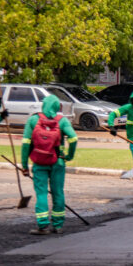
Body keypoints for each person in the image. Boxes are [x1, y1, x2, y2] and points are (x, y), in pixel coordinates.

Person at [20, 94, 77, 235]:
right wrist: (69, 156)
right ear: (57, 106)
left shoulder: (33, 120)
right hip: (58, 161)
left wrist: (24, 165)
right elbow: (73, 138)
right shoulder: (62, 121)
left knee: (41, 193)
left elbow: (26, 144)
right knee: (58, 192)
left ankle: (43, 226)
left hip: (39, 162)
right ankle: (58, 225)